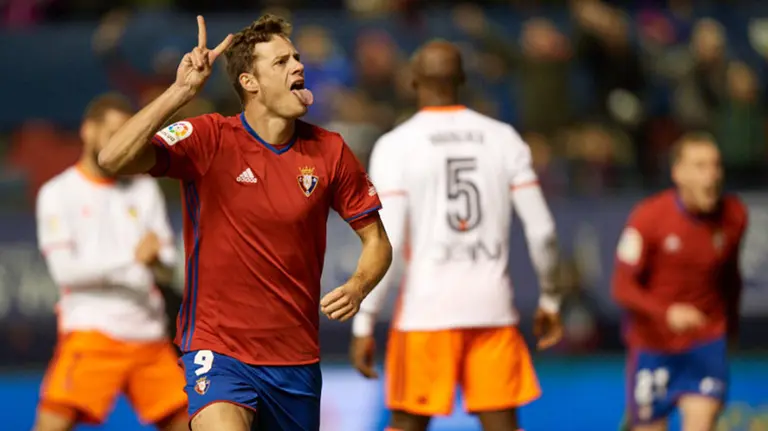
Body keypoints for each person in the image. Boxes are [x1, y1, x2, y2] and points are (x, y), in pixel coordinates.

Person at [97, 14, 393, 431]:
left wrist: (358, 286)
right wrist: (180, 92)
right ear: (250, 83)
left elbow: (377, 241)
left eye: (297, 57)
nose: (298, 67)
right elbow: (112, 158)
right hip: (218, 351)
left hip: (296, 362)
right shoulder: (208, 138)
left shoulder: (330, 151)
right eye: (281, 62)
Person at [349, 40, 563, 431]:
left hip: (425, 311)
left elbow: (385, 241)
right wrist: (550, 297)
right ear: (462, 79)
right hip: (491, 310)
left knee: (407, 424)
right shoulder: (503, 138)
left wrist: (365, 321)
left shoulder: (396, 145)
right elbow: (543, 230)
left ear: (412, 80)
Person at [33, 94, 187, 431]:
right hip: (93, 332)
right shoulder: (58, 193)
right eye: (114, 132)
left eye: (127, 133)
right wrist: (133, 262)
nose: (122, 142)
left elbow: (168, 266)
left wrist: (155, 261)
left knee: (191, 422)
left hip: (148, 331)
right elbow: (66, 272)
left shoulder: (143, 190)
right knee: (50, 425)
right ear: (88, 131)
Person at [612, 132, 746, 431]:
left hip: (705, 341)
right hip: (652, 345)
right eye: (700, 166)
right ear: (678, 173)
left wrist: (732, 328)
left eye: (716, 166)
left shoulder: (735, 216)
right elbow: (621, 287)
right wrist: (666, 312)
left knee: (701, 422)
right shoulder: (647, 218)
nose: (711, 175)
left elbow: (731, 277)